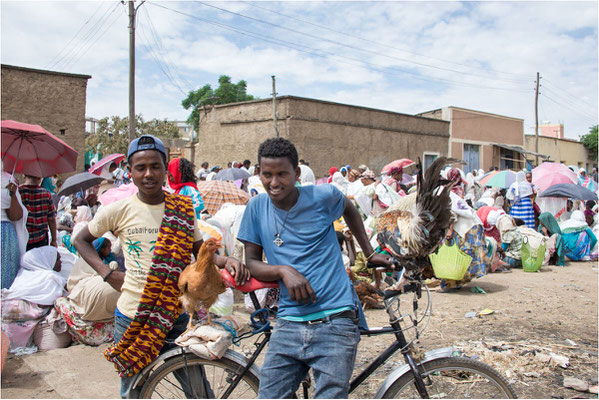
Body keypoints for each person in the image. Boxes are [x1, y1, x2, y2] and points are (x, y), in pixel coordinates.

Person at [73, 135, 249, 398]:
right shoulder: (117, 210)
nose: (148, 174)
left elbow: (199, 253)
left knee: (198, 389)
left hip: (176, 314)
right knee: (133, 389)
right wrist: (107, 273)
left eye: (155, 166)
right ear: (129, 170)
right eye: (140, 167)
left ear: (166, 168)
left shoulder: (182, 209)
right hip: (133, 315)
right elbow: (81, 240)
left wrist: (227, 260)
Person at [237, 137, 392, 398]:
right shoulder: (255, 207)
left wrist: (370, 252)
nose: (274, 183)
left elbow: (349, 207)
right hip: (288, 321)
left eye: (282, 174)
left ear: (296, 173)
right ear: (259, 174)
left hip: (336, 319)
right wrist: (282, 271)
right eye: (267, 174)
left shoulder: (323, 196)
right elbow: (251, 263)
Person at [1, 168, 28, 289]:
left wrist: (12, 196)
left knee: (5, 276)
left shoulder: (7, 181)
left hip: (4, 235)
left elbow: (15, 216)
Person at [19, 174, 57, 251]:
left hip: (22, 238)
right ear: (40, 178)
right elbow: (51, 219)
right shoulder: (46, 194)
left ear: (23, 175)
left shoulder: (18, 192)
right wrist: (54, 240)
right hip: (41, 238)